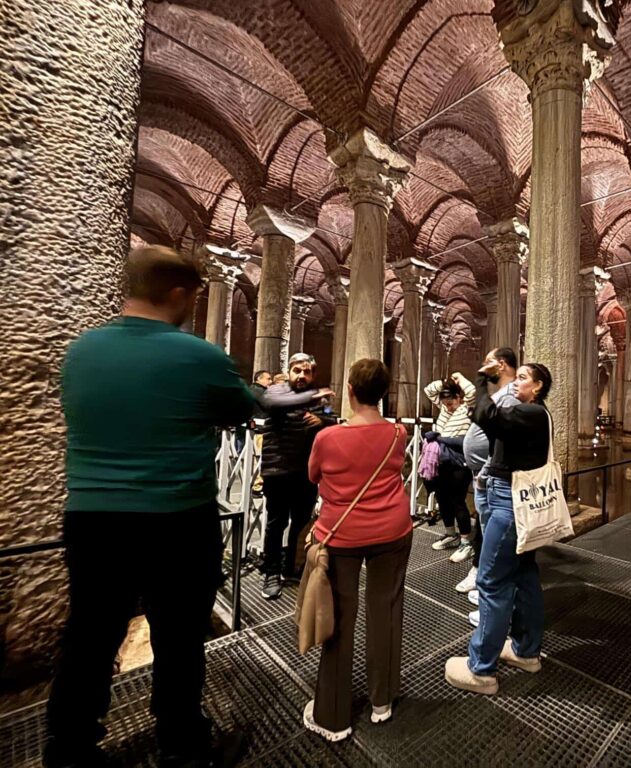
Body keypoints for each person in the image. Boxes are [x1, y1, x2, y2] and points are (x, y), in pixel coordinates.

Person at [46, 246, 255, 768]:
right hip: (176, 517)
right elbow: (239, 410)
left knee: (89, 636)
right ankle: (183, 746)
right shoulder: (197, 354)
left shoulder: (82, 351)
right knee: (179, 636)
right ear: (180, 294)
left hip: (92, 517)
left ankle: (68, 750)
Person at [304, 359, 412, 742]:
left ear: (350, 389)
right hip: (393, 530)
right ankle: (381, 701)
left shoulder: (328, 438)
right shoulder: (397, 434)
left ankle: (333, 715)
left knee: (338, 618)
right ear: (382, 394)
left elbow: (314, 475)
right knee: (385, 611)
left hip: (341, 534)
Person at [444, 359, 553, 695]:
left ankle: (482, 669)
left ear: (537, 387)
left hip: (510, 505)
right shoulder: (527, 414)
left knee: (491, 581)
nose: (514, 384)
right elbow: (491, 429)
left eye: (522, 379)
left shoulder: (532, 413)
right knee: (523, 574)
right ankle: (525, 651)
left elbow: (484, 415)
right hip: (511, 498)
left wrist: (479, 380)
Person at [259, 353, 335, 599]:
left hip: (306, 472)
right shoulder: (277, 391)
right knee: (276, 523)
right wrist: (313, 396)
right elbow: (272, 405)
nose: (302, 376)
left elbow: (332, 420)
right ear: (289, 371)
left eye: (307, 372)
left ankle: (291, 567)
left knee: (301, 524)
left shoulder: (316, 400)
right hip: (278, 471)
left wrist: (321, 420)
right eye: (297, 371)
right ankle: (271, 572)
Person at [458, 348, 518, 613]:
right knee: (486, 530)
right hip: (486, 473)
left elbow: (496, 430)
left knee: (494, 535)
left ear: (501, 365)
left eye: (488, 363)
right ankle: (485, 582)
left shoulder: (512, 394)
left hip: (496, 476)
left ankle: (490, 597)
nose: (484, 368)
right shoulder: (501, 394)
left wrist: (480, 378)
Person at [423, 372, 476, 562]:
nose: (448, 406)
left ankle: (466, 542)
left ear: (458, 398)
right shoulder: (444, 410)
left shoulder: (466, 408)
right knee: (442, 498)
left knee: (458, 501)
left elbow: (472, 391)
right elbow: (429, 390)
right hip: (440, 460)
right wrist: (444, 382)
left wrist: (459, 378)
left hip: (458, 460)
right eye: (445, 403)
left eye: (451, 402)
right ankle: (450, 534)